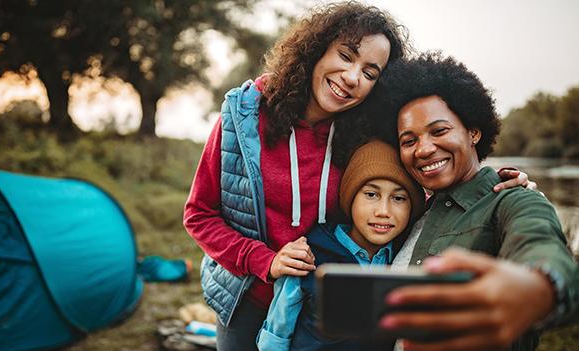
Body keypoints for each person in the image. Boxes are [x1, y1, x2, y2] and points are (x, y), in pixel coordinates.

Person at [183, 2, 533, 349]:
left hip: (331, 302)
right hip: (247, 297)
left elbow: (418, 189)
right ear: (317, 50)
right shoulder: (243, 115)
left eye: (370, 73)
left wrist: (493, 188)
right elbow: (199, 214)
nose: (352, 78)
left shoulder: (370, 134)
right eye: (346, 56)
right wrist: (266, 261)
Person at [368, 53, 579, 351]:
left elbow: (541, 244)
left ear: (473, 132)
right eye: (409, 140)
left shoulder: (514, 199)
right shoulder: (411, 210)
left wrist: (537, 288)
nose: (424, 149)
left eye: (439, 131)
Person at [256, 139, 424, 351]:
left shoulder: (405, 258)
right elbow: (277, 332)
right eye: (371, 195)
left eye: (399, 198)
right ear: (350, 197)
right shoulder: (309, 254)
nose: (383, 211)